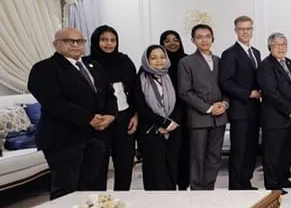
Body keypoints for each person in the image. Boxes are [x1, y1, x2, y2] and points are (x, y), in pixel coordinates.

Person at [27, 28, 117, 199]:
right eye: (69, 41)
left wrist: (111, 115)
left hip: (96, 137)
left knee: (93, 187)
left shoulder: (94, 65)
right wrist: (89, 118)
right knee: (66, 190)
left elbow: (109, 93)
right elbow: (55, 102)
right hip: (63, 140)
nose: (75, 45)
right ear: (56, 44)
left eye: (79, 41)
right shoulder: (44, 68)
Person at [177, 24, 229, 190]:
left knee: (214, 156)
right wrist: (208, 108)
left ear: (212, 38)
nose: (204, 40)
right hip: (199, 117)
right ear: (193, 40)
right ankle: (198, 190)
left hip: (219, 117)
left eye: (207, 36)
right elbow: (184, 92)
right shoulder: (186, 62)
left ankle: (209, 187)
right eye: (199, 37)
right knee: (197, 157)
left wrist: (225, 103)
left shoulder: (219, 61)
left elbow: (227, 85)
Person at [86, 25, 138, 191]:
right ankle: (100, 205)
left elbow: (136, 90)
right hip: (100, 119)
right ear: (96, 41)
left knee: (125, 163)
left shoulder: (125, 61)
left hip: (125, 117)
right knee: (98, 165)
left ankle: (122, 199)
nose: (109, 43)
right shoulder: (87, 63)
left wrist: (136, 115)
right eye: (104, 40)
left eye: (112, 40)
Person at [219, 15, 262, 190]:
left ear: (252, 30)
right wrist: (248, 93)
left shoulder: (256, 52)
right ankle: (236, 185)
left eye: (248, 28)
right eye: (242, 29)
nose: (245, 32)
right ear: (236, 31)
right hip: (239, 111)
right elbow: (225, 82)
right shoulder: (229, 54)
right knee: (239, 150)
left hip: (255, 110)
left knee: (251, 148)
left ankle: (246, 181)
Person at [134, 45, 183, 191]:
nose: (159, 61)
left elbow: (181, 100)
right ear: (147, 60)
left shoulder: (171, 75)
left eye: (162, 57)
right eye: (153, 58)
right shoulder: (140, 79)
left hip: (172, 129)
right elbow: (141, 106)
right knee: (154, 170)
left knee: (171, 168)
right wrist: (163, 122)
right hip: (150, 130)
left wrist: (172, 122)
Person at [257, 32, 291, 193]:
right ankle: (273, 184)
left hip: (290, 117)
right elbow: (270, 92)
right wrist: (290, 108)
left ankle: (284, 178)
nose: (281, 48)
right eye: (278, 45)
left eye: (284, 44)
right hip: (274, 117)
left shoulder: (288, 62)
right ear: (270, 47)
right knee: (273, 152)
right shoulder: (265, 65)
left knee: (286, 151)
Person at [160, 29, 190, 190]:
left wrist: (177, 117)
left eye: (175, 39)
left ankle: (184, 186)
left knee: (184, 153)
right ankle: (169, 188)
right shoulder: (157, 64)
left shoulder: (187, 61)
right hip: (163, 116)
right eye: (167, 40)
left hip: (185, 115)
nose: (172, 43)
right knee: (168, 156)